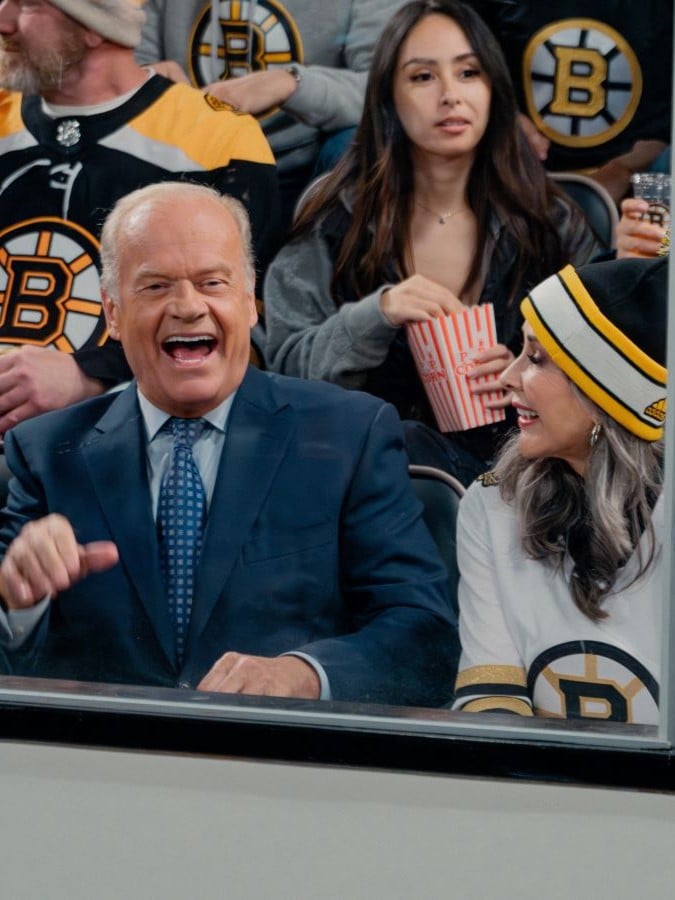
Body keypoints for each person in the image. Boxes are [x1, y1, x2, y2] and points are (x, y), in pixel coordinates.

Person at [0, 180, 458, 706]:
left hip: (280, 766)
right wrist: (16, 601)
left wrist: (302, 676)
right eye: (155, 287)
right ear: (112, 313)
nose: (188, 307)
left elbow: (425, 637)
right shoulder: (45, 452)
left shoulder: (350, 434)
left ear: (249, 301)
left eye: (212, 283)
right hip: (106, 765)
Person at [263, 0, 598, 486]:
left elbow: (597, 378)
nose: (450, 96)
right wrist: (374, 315)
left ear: (493, 89)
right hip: (363, 478)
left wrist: (529, 373)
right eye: (422, 77)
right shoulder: (339, 213)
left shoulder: (549, 218)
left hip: (521, 484)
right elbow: (285, 377)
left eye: (468, 73)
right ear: (387, 97)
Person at [0, 0, 279, 436]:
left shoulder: (217, 138)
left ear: (95, 26)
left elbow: (228, 316)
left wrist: (88, 375)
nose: (4, 21)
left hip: (133, 427)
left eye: (30, 4)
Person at [453, 256, 666, 724]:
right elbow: (490, 705)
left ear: (606, 393)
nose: (508, 378)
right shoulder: (491, 505)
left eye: (536, 358)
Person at [135, 0, 406, 227]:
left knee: (367, 145)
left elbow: (396, 86)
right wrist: (141, 79)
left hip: (306, 164)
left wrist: (290, 84)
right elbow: (133, 58)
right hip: (189, 157)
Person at [471, 0, 672, 204]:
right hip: (514, 178)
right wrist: (500, 115)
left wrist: (626, 169)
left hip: (644, 186)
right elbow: (456, 55)